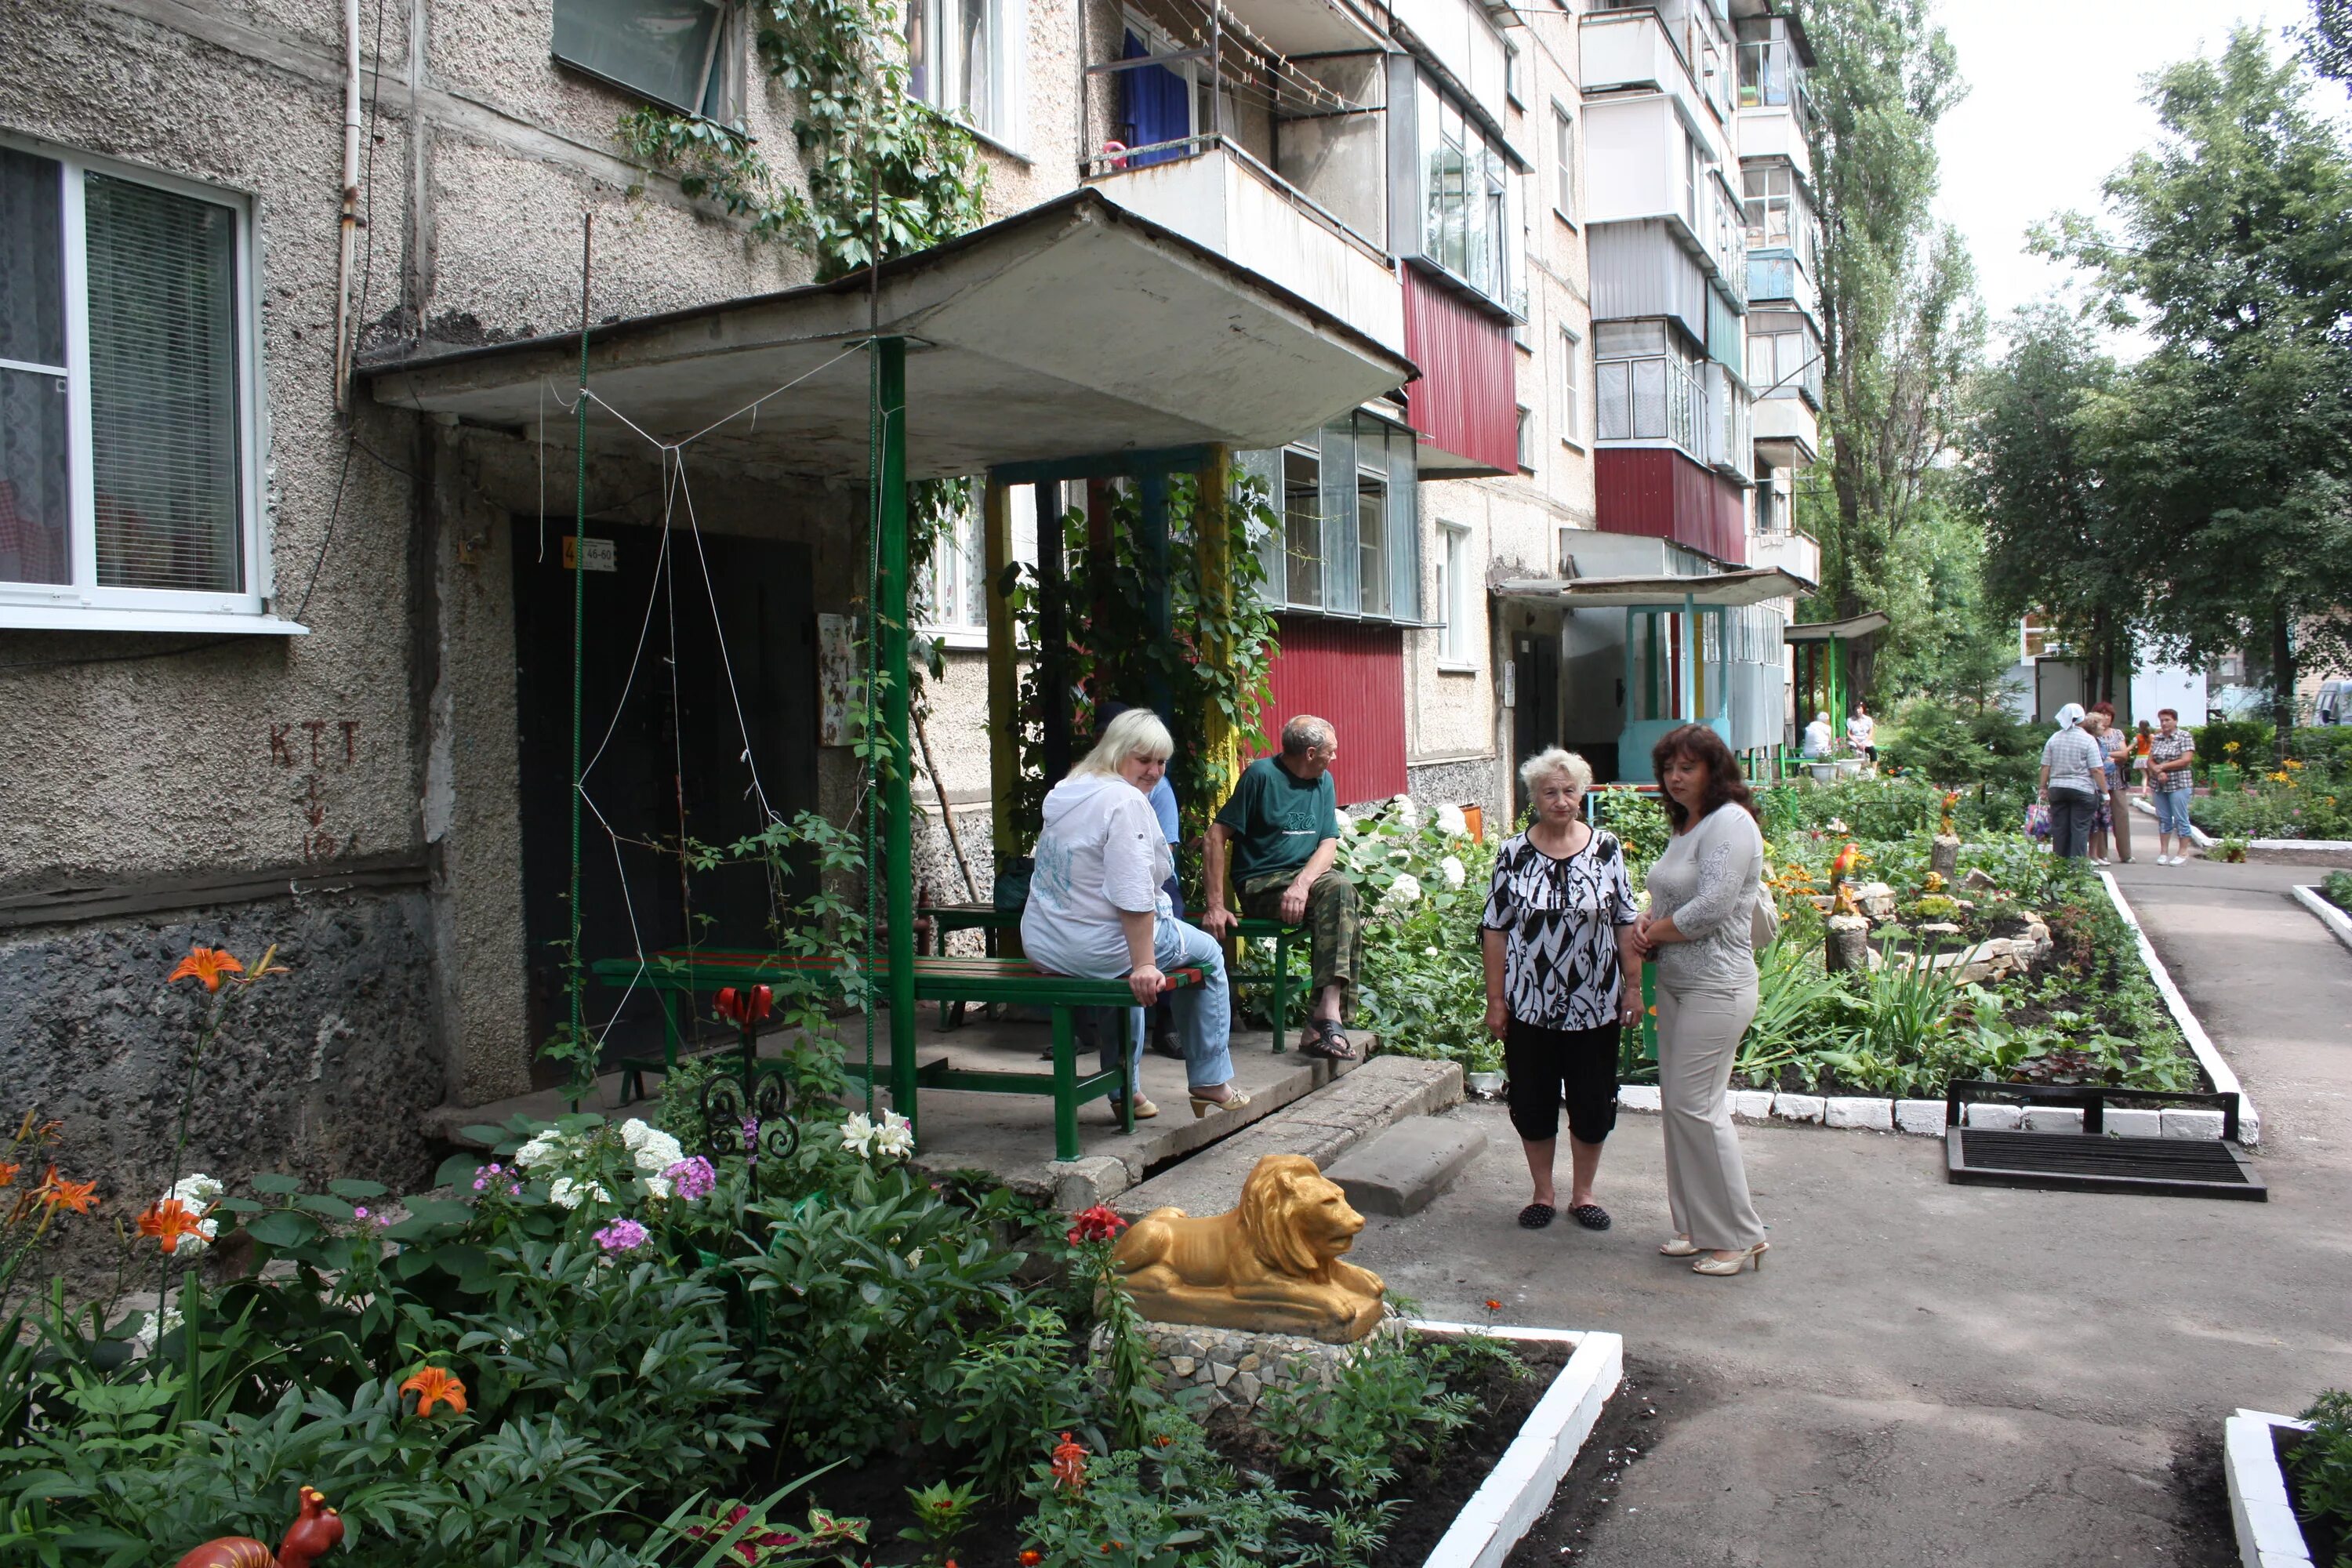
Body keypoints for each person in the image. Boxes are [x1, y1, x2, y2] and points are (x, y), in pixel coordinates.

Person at [1020, 709, 1252, 1122]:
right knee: (1209, 956)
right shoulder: (1123, 800)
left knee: (1119, 969)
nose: (1154, 771)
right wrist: (1145, 964)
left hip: (1047, 945)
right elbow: (1133, 893)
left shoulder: (1071, 789)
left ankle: (1125, 1089)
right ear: (1117, 751)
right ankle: (1210, 1079)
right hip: (1096, 947)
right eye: (1143, 760)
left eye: (1161, 762)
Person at [1480, 749, 1642, 1233]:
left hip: (1596, 1003)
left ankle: (1584, 1194)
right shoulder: (1513, 854)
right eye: (1550, 791)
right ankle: (1543, 1193)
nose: (1561, 799)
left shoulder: (1607, 849)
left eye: (1569, 790)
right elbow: (1495, 928)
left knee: (1593, 1101)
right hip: (1530, 1003)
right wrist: (1496, 999)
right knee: (1533, 1099)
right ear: (1534, 797)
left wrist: (1633, 989)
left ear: (1582, 793)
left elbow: (1627, 920)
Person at [1631, 724, 1770, 1277]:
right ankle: (1696, 1226)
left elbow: (1712, 906)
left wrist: (1652, 935)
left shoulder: (1731, 823)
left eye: (1687, 767)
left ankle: (1740, 1235)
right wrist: (1649, 919)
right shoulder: (1689, 824)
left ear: (1715, 770)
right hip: (1680, 984)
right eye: (1668, 769)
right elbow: (1671, 892)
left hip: (1719, 985)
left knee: (1698, 1107)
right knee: (1679, 1108)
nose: (1675, 778)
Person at [1202, 715, 1362, 1060]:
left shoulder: (1324, 781)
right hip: (1262, 884)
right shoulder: (1261, 776)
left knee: (1341, 890)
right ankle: (1324, 1022)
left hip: (1304, 885)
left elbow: (1328, 842)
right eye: (1329, 752)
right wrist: (1216, 905)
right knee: (1340, 894)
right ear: (1309, 752)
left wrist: (1302, 885)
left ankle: (1325, 1016)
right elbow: (1215, 836)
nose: (1334, 757)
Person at [2037, 702, 2109, 861]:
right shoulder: (2088, 740)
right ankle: (2077, 869)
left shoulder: (2054, 738)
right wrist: (2105, 792)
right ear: (2082, 719)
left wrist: (2043, 787)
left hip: (2057, 789)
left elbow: (2045, 766)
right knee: (2080, 829)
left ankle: (2059, 865)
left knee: (2060, 828)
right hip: (2082, 790)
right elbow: (2096, 770)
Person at [2146, 707, 2197, 865]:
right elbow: (2150, 759)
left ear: (2175, 721)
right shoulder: (2158, 738)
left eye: (2167, 720)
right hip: (2160, 783)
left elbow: (2186, 760)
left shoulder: (2184, 736)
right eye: (2162, 720)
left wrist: (2163, 767)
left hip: (2179, 782)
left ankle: (2183, 852)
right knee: (2164, 818)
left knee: (2180, 817)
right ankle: (2164, 852)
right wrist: (2157, 770)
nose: (2164, 723)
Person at [2088, 702, 2132, 865]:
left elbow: (2124, 754)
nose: (2106, 717)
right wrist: (2107, 757)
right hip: (2099, 783)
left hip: (2117, 781)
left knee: (2121, 816)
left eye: (2109, 714)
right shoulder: (2091, 735)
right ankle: (2101, 854)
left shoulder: (2117, 733)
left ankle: (2126, 854)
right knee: (2100, 818)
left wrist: (2108, 755)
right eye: (2102, 714)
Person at [1846, 701, 1877, 768]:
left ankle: (1873, 770)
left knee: (1873, 751)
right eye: (1856, 709)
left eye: (1860, 708)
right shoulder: (1850, 720)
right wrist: (1857, 743)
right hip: (1855, 740)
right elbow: (1848, 733)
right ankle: (1854, 768)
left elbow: (1871, 731)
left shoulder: (1868, 719)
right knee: (1852, 749)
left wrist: (1865, 742)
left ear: (1863, 709)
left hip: (1865, 740)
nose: (1858, 711)